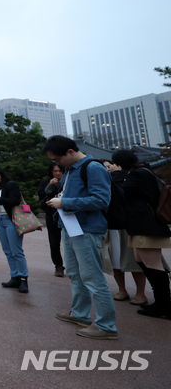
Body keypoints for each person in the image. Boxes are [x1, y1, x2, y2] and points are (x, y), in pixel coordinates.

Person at [44, 135, 117, 340]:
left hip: (87, 228)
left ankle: (106, 325)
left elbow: (101, 200)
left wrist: (65, 202)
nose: (56, 164)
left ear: (69, 152)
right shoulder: (70, 170)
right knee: (75, 273)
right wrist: (62, 201)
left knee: (92, 276)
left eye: (57, 159)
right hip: (71, 226)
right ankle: (80, 314)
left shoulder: (93, 168)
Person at [111, 149, 171, 319]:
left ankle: (164, 305)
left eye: (115, 163)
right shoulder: (140, 172)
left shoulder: (138, 174)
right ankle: (161, 303)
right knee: (143, 261)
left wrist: (117, 176)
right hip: (141, 225)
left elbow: (123, 192)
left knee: (153, 266)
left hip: (147, 225)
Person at [100, 159, 147, 305]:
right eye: (104, 168)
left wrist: (117, 176)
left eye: (109, 166)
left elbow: (123, 195)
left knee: (133, 262)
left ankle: (140, 293)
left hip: (128, 227)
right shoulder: (102, 182)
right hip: (110, 226)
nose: (108, 169)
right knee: (114, 261)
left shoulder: (126, 179)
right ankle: (122, 289)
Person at [0, 165, 29, 293]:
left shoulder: (11, 184)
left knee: (16, 251)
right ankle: (14, 277)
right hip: (0, 220)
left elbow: (14, 201)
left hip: (11, 220)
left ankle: (23, 279)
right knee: (8, 251)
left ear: (0, 173)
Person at [38, 163, 65, 277]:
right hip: (52, 215)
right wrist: (50, 185)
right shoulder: (46, 182)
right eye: (55, 171)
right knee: (54, 243)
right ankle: (58, 265)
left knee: (71, 242)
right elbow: (42, 195)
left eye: (59, 171)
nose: (57, 173)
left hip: (67, 215)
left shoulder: (67, 181)